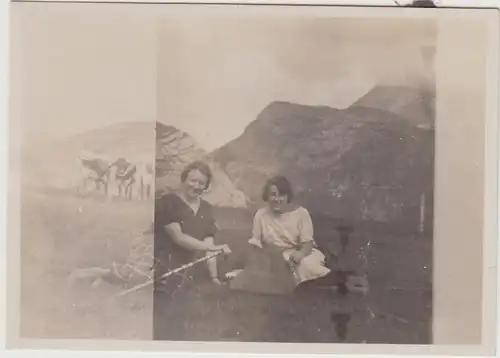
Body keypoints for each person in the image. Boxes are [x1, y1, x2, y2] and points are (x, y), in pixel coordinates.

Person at [248, 175, 368, 293]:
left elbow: (307, 244)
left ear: (287, 197)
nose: (277, 199)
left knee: (305, 265)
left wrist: (300, 254)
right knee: (273, 272)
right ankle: (327, 286)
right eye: (273, 195)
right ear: (267, 196)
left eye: (281, 195)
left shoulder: (301, 214)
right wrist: (258, 259)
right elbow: (256, 243)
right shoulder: (261, 215)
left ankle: (342, 280)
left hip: (302, 252)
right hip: (274, 256)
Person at [153, 160, 231, 294]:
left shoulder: (206, 208)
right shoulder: (168, 202)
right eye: (193, 180)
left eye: (201, 183)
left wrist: (214, 278)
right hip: (163, 261)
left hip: (186, 267)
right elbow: (178, 238)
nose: (196, 186)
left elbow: (209, 244)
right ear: (184, 180)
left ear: (206, 186)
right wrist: (213, 248)